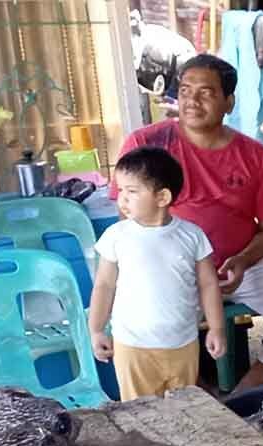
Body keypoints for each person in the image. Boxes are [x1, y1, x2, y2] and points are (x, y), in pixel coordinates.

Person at [111, 53, 263, 394]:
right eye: (185, 90)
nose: (192, 100)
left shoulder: (254, 156)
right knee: (150, 316)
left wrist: (242, 260)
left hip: (239, 265)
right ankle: (196, 389)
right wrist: (177, 263)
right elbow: (128, 216)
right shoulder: (146, 145)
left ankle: (252, 385)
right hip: (169, 267)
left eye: (206, 92)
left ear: (228, 101)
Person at [89, 146, 226, 401]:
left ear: (162, 197)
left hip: (183, 343)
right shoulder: (117, 236)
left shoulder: (192, 236)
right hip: (132, 346)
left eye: (132, 191)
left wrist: (217, 327)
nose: (122, 199)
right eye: (121, 191)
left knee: (184, 410)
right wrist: (96, 329)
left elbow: (208, 284)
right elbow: (104, 285)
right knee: (141, 414)